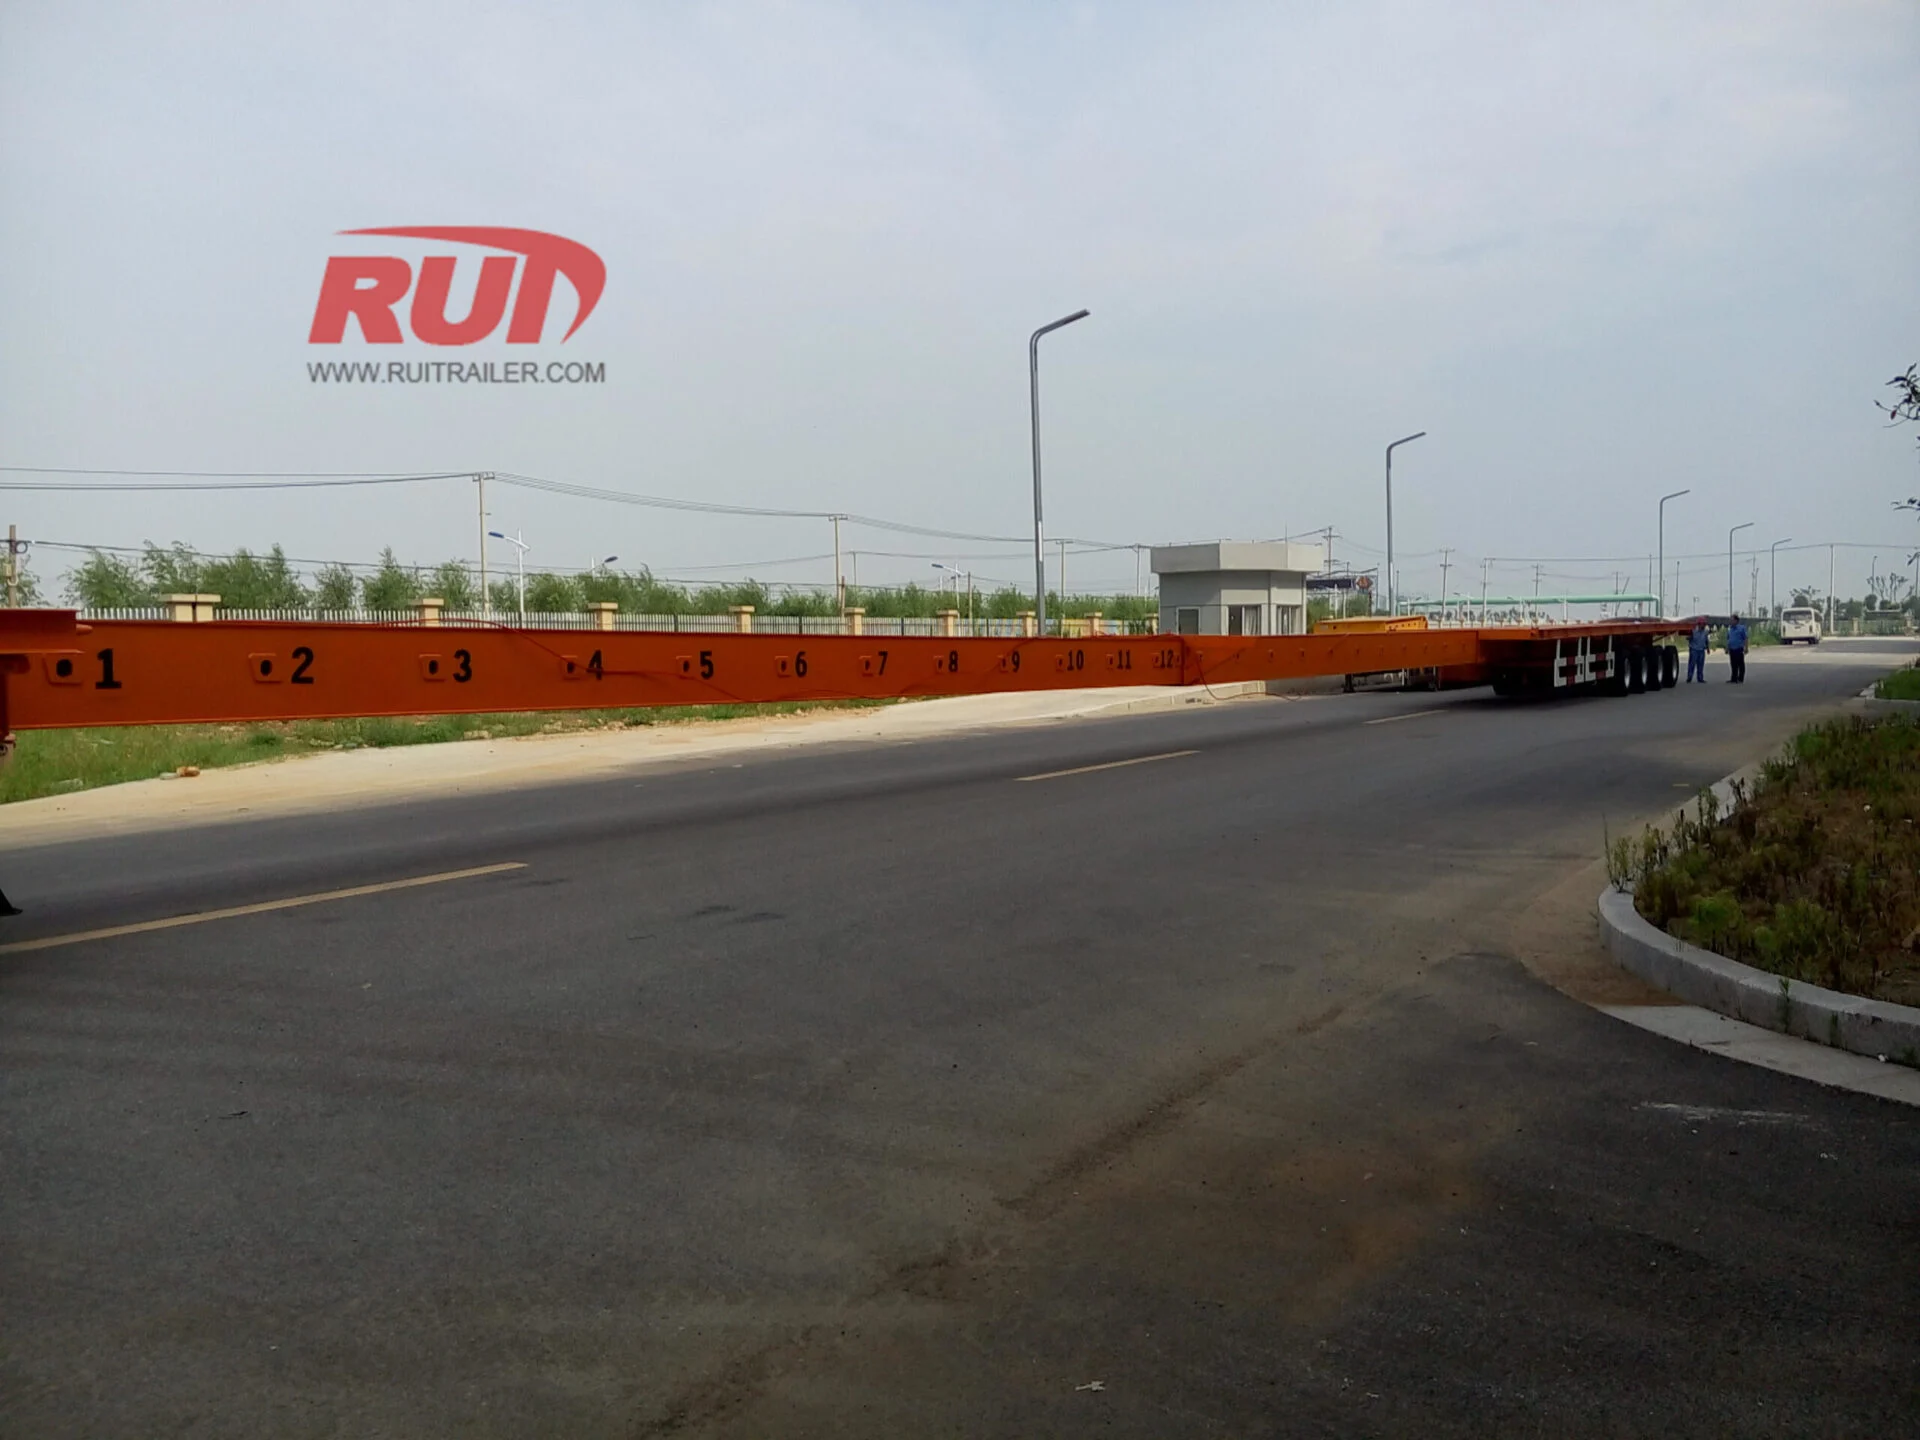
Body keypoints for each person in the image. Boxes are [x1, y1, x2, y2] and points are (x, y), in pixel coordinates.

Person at [1727, 615, 1748, 684]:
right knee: (1733, 665)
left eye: (1732, 620)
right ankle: (1733, 678)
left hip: (1739, 649)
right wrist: (1727, 648)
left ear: (1736, 621)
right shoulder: (1730, 629)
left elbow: (1745, 638)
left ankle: (1740, 678)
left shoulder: (1741, 628)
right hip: (1732, 649)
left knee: (1740, 664)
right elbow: (1729, 639)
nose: (1730, 621)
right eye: (1730, 620)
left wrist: (1746, 647)